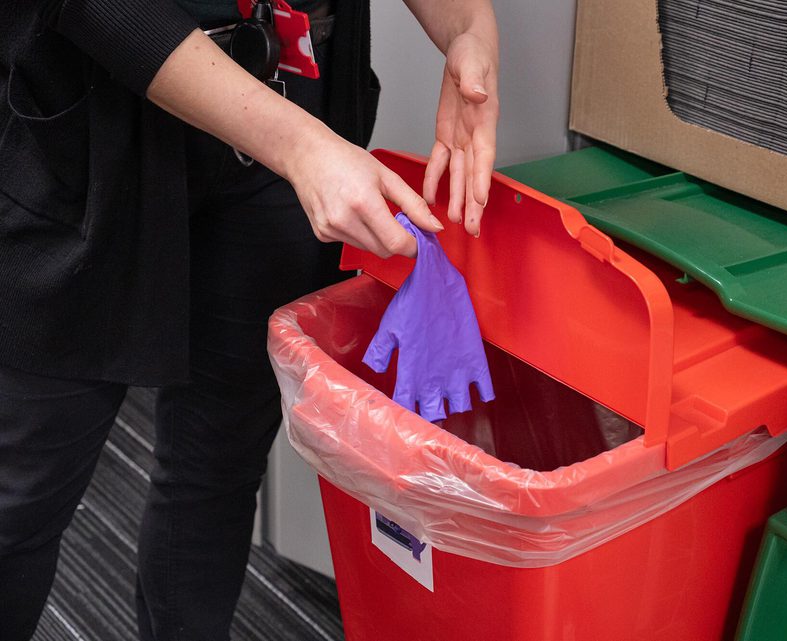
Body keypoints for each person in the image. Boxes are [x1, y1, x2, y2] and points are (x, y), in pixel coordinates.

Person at [0, 0, 498, 639]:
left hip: (283, 98)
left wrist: (470, 30)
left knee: (216, 473)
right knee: (19, 498)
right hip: (90, 122)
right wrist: (301, 147)